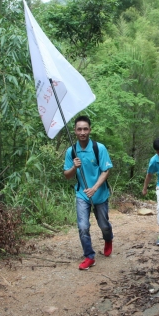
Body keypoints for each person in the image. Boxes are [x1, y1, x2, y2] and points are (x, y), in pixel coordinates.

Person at [64, 115, 114, 270]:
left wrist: (95, 188)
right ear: (75, 131)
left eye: (85, 129)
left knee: (104, 225)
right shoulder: (71, 151)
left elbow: (106, 171)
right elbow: (67, 175)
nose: (82, 132)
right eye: (79, 129)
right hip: (82, 194)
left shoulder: (99, 148)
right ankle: (89, 256)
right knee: (83, 226)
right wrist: (74, 167)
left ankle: (108, 239)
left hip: (99, 194)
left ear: (90, 130)